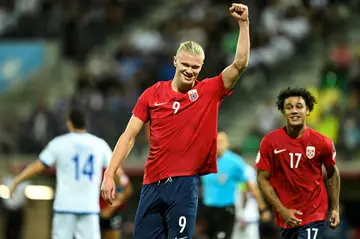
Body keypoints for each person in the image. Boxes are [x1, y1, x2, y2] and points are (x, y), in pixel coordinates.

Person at [101, 3, 250, 239]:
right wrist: (110, 173)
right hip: (151, 185)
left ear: (201, 67)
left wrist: (243, 24)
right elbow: (128, 137)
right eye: (185, 65)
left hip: (184, 186)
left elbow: (240, 64)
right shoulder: (152, 94)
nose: (190, 71)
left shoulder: (209, 91)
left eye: (195, 67)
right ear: (175, 62)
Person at [10, 108, 114, 239]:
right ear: (85, 123)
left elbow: (38, 167)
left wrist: (17, 180)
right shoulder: (100, 144)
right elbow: (115, 171)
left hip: (65, 206)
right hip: (89, 207)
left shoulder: (59, 143)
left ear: (69, 123)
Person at [256, 87, 341, 239]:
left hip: (314, 214)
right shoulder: (269, 142)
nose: (294, 111)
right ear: (283, 112)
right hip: (285, 218)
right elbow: (262, 178)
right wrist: (282, 210)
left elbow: (332, 172)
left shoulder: (322, 142)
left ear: (307, 110)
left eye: (299, 107)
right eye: (289, 107)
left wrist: (334, 208)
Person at [200, 131, 270, 239]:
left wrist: (262, 208)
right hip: (207, 209)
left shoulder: (235, 162)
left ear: (228, 143)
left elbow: (250, 186)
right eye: (217, 141)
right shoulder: (205, 160)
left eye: (222, 141)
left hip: (226, 209)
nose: (219, 144)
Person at [100, 167, 133, 239]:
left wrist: (112, 207)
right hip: (93, 211)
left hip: (112, 213)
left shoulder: (114, 168)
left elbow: (127, 189)